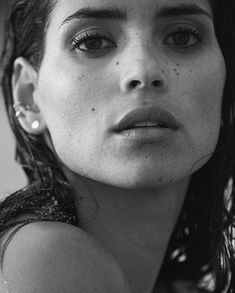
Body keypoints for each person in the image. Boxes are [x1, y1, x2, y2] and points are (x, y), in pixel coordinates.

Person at [0, 0, 234, 292]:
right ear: (29, 95)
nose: (145, 71)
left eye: (182, 37)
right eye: (92, 42)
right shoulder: (45, 260)